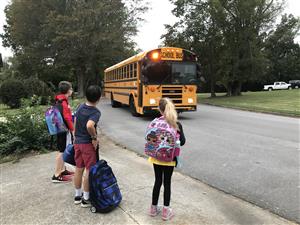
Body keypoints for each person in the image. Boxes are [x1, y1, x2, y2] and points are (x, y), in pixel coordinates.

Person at [148, 98, 185, 221]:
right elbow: (183, 142)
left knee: (157, 181)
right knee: (167, 183)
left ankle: (153, 209)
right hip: (170, 159)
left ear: (159, 109)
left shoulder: (155, 122)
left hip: (156, 157)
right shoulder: (176, 124)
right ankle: (165, 212)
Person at [73, 85, 101, 207]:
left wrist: (75, 135)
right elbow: (90, 125)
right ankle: (86, 199)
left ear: (86, 95)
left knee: (79, 168)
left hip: (78, 143)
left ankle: (77, 196)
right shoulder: (95, 112)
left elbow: (75, 120)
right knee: (89, 170)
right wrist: (94, 138)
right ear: (99, 98)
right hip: (87, 144)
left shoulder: (79, 106)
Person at [52, 81, 75, 183]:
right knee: (62, 151)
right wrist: (73, 130)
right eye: (71, 89)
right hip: (64, 130)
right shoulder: (63, 102)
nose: (72, 90)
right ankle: (57, 175)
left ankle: (62, 170)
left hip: (59, 128)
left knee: (63, 149)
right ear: (67, 90)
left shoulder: (59, 100)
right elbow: (67, 118)